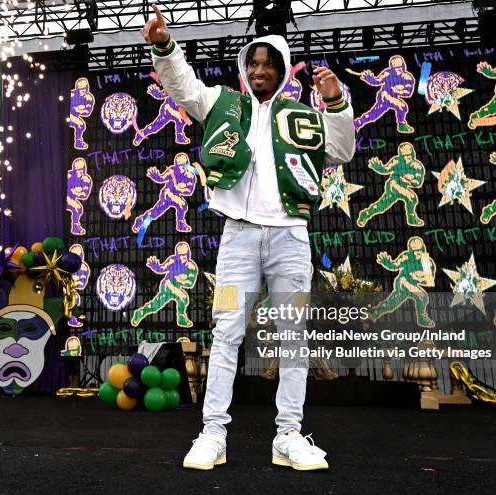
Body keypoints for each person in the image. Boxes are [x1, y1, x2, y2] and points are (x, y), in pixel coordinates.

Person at [141, 4, 355, 471]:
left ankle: (289, 436)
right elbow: (183, 85)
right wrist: (163, 45)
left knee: (293, 338)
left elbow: (342, 149)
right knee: (227, 334)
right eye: (253, 63)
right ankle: (213, 434)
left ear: (281, 69)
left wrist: (337, 101)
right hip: (238, 241)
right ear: (245, 69)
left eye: (269, 64)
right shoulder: (222, 104)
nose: (260, 71)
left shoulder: (301, 115)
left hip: (290, 241)